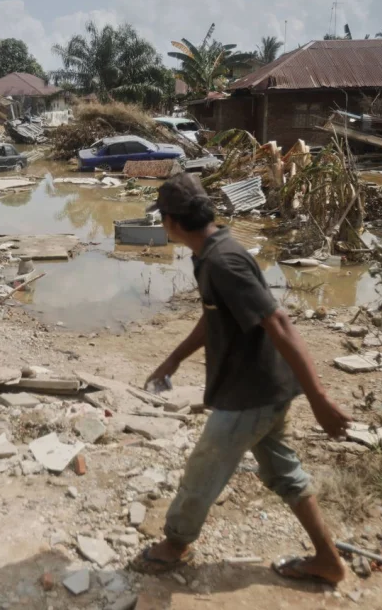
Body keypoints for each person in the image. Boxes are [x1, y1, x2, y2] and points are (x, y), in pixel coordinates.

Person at [138, 173, 351, 585]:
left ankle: (175, 544)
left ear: (172, 222)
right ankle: (328, 559)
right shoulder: (210, 253)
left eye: (162, 218)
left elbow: (279, 321)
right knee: (284, 472)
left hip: (250, 394)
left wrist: (320, 398)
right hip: (265, 388)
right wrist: (172, 360)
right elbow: (214, 316)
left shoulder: (223, 261)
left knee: (204, 468)